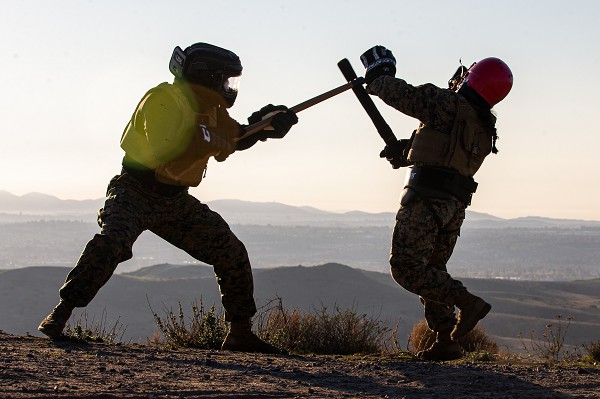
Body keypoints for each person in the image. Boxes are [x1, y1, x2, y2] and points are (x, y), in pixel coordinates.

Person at [38, 42, 298, 354]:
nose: (229, 89)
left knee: (230, 250)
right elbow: (167, 147)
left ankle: (240, 332)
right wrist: (221, 138)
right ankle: (62, 313)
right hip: (134, 189)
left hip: (175, 201)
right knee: (113, 242)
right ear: (206, 77)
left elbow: (235, 137)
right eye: (225, 81)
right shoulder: (163, 99)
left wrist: (264, 126)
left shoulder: (210, 111)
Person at [360, 46, 513, 360]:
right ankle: (446, 340)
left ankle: (466, 303)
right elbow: (446, 156)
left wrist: (379, 77)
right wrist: (406, 151)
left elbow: (405, 96)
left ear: (472, 78)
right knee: (433, 270)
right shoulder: (483, 128)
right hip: (453, 209)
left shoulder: (448, 105)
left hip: (425, 200)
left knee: (404, 267)